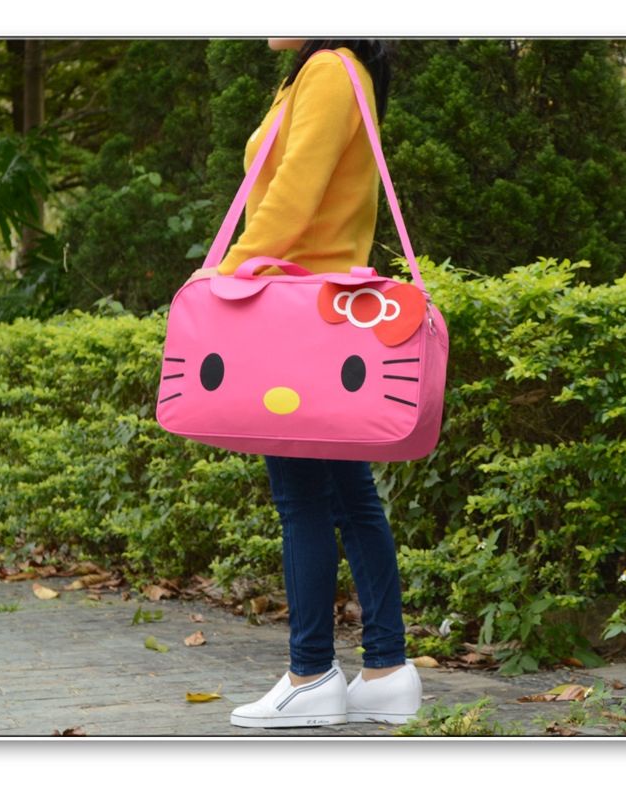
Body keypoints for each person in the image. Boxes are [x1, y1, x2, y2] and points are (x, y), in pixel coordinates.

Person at [188, 38, 422, 729]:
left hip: (293, 318)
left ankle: (312, 673)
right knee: (351, 496)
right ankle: (386, 672)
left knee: (303, 501)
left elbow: (294, 193)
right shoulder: (331, 70)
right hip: (324, 313)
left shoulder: (327, 69)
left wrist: (228, 269)